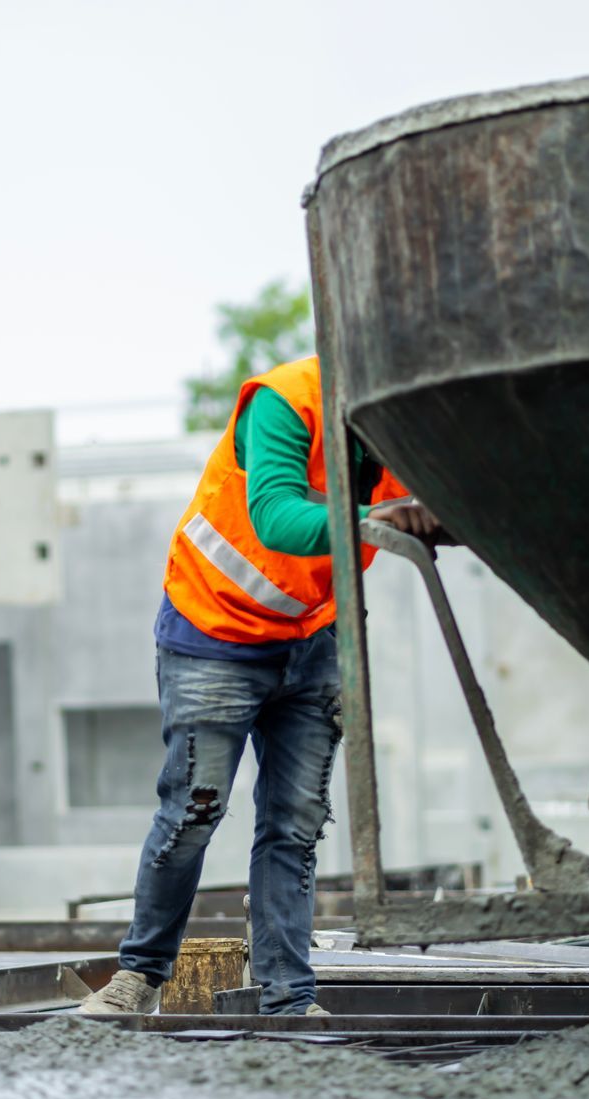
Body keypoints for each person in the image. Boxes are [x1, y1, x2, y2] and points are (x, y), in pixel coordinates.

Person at [79, 355, 443, 1017]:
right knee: (193, 813)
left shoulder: (405, 428)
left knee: (294, 828)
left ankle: (288, 999)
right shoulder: (286, 399)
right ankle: (137, 981)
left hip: (310, 638)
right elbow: (276, 518)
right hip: (215, 631)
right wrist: (385, 513)